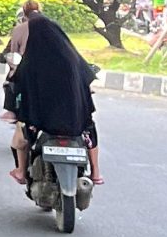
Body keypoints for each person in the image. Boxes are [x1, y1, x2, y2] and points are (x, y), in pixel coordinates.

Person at [7, 10, 103, 186]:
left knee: (21, 137)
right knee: (90, 131)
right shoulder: (73, 58)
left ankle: (21, 171)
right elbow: (87, 80)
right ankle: (96, 173)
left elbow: (16, 85)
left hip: (43, 122)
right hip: (75, 122)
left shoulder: (31, 61)